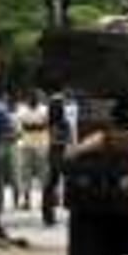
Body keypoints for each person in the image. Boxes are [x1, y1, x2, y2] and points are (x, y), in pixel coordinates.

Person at [42, 94, 74, 227]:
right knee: (52, 186)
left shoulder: (58, 123)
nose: (56, 108)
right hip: (55, 156)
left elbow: (67, 139)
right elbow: (68, 139)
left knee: (51, 187)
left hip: (56, 155)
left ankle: (49, 215)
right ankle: (48, 215)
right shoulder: (56, 122)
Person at [14, 91, 49, 211]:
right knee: (25, 172)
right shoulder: (21, 110)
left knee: (43, 171)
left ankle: (47, 199)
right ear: (27, 99)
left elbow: (47, 125)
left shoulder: (44, 109)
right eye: (30, 98)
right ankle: (27, 200)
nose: (33, 100)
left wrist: (34, 126)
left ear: (38, 99)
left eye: (35, 98)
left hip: (41, 141)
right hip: (26, 141)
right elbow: (18, 127)